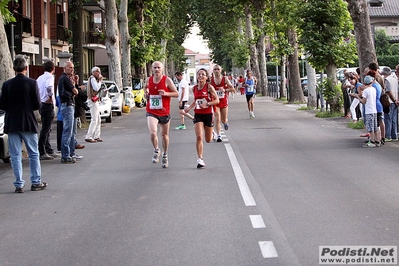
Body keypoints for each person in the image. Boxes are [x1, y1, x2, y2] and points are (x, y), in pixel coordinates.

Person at [0, 56, 47, 193]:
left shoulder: (7, 85)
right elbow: (37, 104)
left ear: (14, 69)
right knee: (33, 153)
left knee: (15, 155)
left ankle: (19, 184)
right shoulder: (32, 83)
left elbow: (2, 104)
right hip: (28, 121)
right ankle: (35, 181)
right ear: (26, 68)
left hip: (12, 123)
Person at [144, 61, 178, 168]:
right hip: (151, 110)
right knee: (153, 132)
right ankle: (156, 150)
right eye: (155, 67)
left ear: (162, 69)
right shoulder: (148, 79)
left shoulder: (167, 80)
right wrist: (146, 94)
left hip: (164, 111)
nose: (157, 69)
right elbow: (146, 88)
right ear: (152, 69)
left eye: (159, 67)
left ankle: (165, 154)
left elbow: (176, 93)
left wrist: (166, 93)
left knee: (164, 136)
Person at [184, 68, 219, 168]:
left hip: (208, 114)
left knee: (208, 140)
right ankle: (200, 159)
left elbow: (217, 100)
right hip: (198, 114)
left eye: (203, 74)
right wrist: (189, 108)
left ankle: (212, 132)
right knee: (199, 136)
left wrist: (207, 103)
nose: (200, 76)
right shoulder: (194, 88)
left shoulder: (209, 87)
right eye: (199, 74)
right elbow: (196, 101)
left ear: (207, 77)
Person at [36, 60, 60, 160]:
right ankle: (42, 150)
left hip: (41, 103)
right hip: (47, 104)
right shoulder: (50, 77)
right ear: (53, 69)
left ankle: (48, 148)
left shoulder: (40, 78)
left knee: (47, 128)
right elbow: (49, 87)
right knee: (46, 129)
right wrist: (50, 98)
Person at [58, 61, 78, 164]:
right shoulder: (64, 78)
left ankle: (71, 153)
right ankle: (65, 155)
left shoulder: (65, 79)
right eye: (70, 67)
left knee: (70, 131)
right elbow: (75, 91)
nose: (72, 69)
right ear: (65, 68)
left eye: (72, 67)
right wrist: (74, 89)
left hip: (69, 104)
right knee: (68, 131)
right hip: (67, 105)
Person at [353, 75, 380, 147]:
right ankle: (377, 140)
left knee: (370, 127)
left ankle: (372, 141)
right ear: (371, 82)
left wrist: (358, 97)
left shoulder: (365, 91)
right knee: (375, 127)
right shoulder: (373, 89)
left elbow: (363, 101)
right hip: (374, 110)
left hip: (369, 110)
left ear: (364, 83)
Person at [211, 65, 234, 142]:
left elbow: (232, 89)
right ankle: (219, 135)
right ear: (213, 71)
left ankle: (225, 122)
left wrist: (225, 90)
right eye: (215, 69)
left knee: (223, 119)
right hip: (215, 101)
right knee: (217, 117)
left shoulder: (225, 79)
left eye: (218, 69)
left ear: (220, 70)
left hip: (223, 101)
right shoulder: (211, 80)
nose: (216, 70)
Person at [85, 66, 103, 143]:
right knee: (94, 119)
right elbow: (96, 88)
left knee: (98, 119)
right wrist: (100, 81)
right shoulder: (92, 79)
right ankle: (89, 136)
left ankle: (96, 136)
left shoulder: (94, 79)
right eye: (98, 71)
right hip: (92, 100)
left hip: (94, 100)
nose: (99, 73)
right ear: (94, 72)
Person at [381, 67, 399, 141]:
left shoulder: (387, 80)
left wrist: (394, 100)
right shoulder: (395, 80)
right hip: (396, 101)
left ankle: (388, 135)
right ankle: (394, 135)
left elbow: (388, 91)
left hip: (389, 102)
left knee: (388, 119)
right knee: (394, 119)